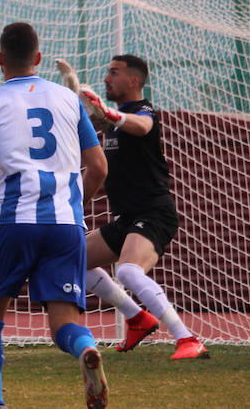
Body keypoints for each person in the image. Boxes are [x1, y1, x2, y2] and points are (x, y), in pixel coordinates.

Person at [0, 22, 109, 409]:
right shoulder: (68, 99)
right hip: (65, 226)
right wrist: (74, 206)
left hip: (13, 222)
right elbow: (98, 169)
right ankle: (86, 350)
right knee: (63, 324)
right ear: (39, 58)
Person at [56, 56, 209, 361]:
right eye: (107, 72)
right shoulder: (112, 121)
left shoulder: (142, 111)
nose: (106, 78)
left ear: (134, 81)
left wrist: (109, 113)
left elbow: (142, 126)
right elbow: (98, 165)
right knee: (67, 260)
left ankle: (188, 339)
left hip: (154, 214)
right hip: (127, 219)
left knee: (127, 271)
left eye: (114, 73)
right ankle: (137, 319)